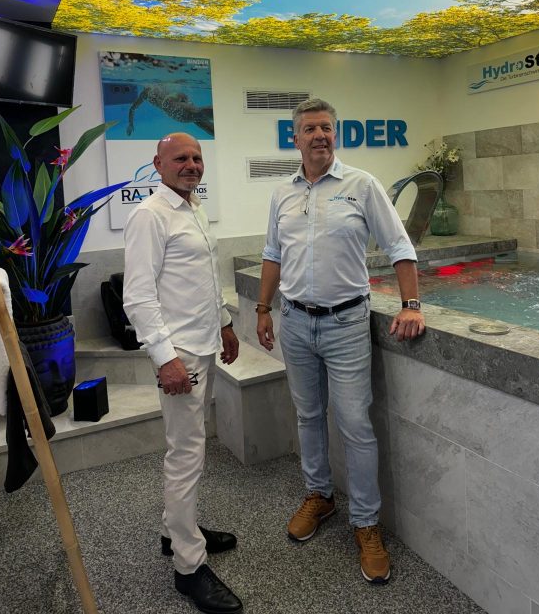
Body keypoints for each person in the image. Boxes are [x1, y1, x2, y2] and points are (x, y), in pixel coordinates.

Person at [256, 98, 425, 585]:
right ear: (295, 139)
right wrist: (263, 309)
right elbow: (272, 253)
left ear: (336, 134)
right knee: (308, 415)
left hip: (347, 323)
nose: (319, 136)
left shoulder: (362, 185)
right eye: (310, 129)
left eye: (326, 128)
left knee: (354, 424)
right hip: (295, 322)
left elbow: (399, 245)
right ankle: (320, 495)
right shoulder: (282, 194)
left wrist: (412, 305)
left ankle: (366, 523)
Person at [123, 132, 243, 614]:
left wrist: (225, 324)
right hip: (181, 354)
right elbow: (138, 296)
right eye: (180, 158)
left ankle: (178, 531)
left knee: (191, 447)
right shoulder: (150, 215)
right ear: (158, 164)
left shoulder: (193, 209)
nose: (191, 164)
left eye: (196, 157)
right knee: (186, 453)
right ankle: (189, 567)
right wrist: (165, 358)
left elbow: (205, 279)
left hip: (203, 342)